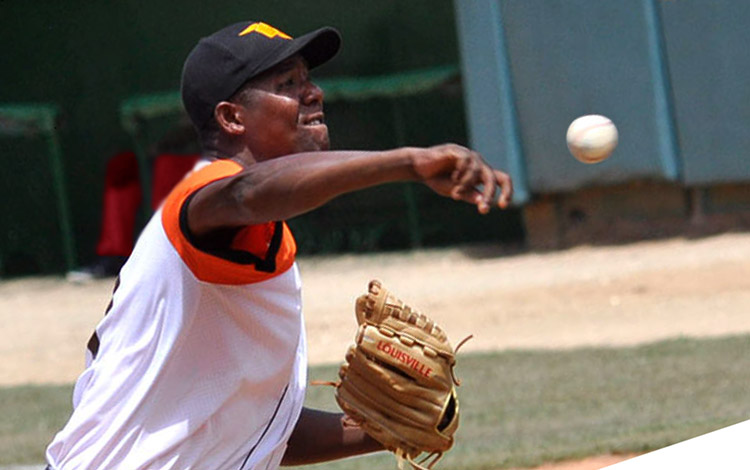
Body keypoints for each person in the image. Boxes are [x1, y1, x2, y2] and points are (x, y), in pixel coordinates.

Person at [45, 20, 513, 470]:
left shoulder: (251, 243)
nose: (313, 93)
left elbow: (256, 430)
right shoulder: (203, 197)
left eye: (308, 79)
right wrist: (408, 162)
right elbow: (247, 192)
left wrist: (381, 429)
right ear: (231, 118)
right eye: (287, 83)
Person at [67, 122, 201, 282]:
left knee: (167, 165)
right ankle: (115, 256)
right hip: (164, 146)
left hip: (204, 154)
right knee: (121, 167)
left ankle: (167, 254)